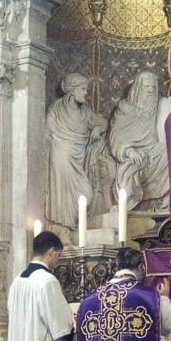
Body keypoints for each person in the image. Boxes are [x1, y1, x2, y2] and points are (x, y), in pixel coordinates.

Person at [104, 70, 170, 211]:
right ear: (138, 88)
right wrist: (128, 151)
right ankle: (131, 204)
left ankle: (163, 202)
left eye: (153, 87)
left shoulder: (158, 109)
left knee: (170, 153)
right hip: (131, 153)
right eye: (146, 87)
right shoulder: (124, 109)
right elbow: (116, 136)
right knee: (130, 169)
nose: (150, 91)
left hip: (153, 150)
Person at [45, 74, 104, 230]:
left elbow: (102, 122)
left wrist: (97, 128)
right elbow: (47, 132)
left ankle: (73, 226)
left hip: (79, 157)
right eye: (83, 89)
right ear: (73, 91)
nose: (86, 93)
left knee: (86, 194)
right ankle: (65, 227)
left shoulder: (85, 111)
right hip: (61, 155)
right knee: (64, 192)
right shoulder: (56, 109)